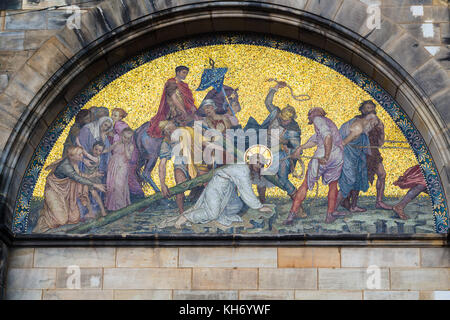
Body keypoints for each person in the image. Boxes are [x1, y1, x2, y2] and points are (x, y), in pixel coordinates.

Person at [167, 153, 273, 229]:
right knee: (212, 214)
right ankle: (186, 217)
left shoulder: (246, 169)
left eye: (261, 164)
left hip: (227, 188)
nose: (258, 166)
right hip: (216, 187)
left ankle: (221, 216)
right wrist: (260, 207)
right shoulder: (243, 170)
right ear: (251, 161)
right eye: (257, 162)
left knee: (236, 205)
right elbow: (246, 191)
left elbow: (251, 185)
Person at [284, 107, 344, 224]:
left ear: (314, 114)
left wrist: (326, 156)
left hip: (324, 154)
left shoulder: (318, 119)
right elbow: (316, 140)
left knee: (305, 185)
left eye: (309, 114)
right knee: (333, 185)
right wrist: (300, 148)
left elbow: (327, 137)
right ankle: (329, 215)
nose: (308, 117)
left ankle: (291, 215)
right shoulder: (328, 123)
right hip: (337, 156)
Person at [245, 82, 301, 202]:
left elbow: (295, 147)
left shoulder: (293, 129)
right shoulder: (276, 114)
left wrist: (283, 141)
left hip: (278, 154)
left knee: (281, 179)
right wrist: (275, 88)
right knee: (259, 175)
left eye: (285, 121)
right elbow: (268, 103)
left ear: (291, 119)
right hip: (263, 148)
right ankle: (262, 201)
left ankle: (296, 202)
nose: (282, 121)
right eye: (282, 119)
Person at [33, 146, 106, 233]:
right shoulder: (66, 166)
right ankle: (42, 218)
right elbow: (77, 178)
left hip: (65, 193)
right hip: (53, 191)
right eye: (80, 155)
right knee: (61, 221)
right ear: (72, 156)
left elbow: (79, 176)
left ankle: (51, 211)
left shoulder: (74, 162)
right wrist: (96, 185)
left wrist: (93, 175)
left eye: (82, 154)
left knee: (74, 218)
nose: (82, 156)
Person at [158, 120, 209, 213]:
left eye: (170, 127)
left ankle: (210, 209)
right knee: (179, 185)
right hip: (181, 164)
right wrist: (162, 184)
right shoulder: (166, 142)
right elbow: (162, 164)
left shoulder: (188, 131)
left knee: (207, 183)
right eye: (166, 130)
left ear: (175, 124)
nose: (169, 130)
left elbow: (204, 143)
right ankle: (181, 212)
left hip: (197, 162)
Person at [336, 113, 380, 213]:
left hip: (358, 158)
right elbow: (343, 143)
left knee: (358, 180)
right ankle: (333, 210)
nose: (372, 127)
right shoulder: (358, 128)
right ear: (370, 121)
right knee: (348, 182)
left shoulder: (360, 124)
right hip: (348, 158)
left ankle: (354, 206)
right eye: (373, 125)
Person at [357, 100, 392, 210]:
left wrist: (380, 129)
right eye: (367, 107)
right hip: (361, 152)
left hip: (373, 152)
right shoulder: (357, 121)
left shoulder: (378, 122)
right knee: (357, 177)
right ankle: (350, 202)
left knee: (382, 174)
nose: (370, 109)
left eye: (372, 107)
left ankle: (379, 201)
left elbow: (381, 142)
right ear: (362, 110)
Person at [147, 66, 198, 138]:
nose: (185, 75)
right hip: (173, 110)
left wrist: (191, 107)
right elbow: (174, 98)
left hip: (185, 109)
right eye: (183, 72)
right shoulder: (171, 82)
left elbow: (188, 99)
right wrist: (183, 111)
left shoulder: (184, 85)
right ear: (178, 72)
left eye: (186, 73)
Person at [109, 107, 144, 198]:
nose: (112, 117)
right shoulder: (122, 124)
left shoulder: (118, 125)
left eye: (115, 115)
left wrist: (112, 135)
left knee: (129, 176)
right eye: (112, 114)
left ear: (120, 117)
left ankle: (139, 195)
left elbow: (124, 139)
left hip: (128, 155)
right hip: (130, 153)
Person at [105, 128, 135, 211]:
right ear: (121, 136)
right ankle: (113, 207)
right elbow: (108, 150)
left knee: (119, 185)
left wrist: (125, 146)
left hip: (123, 165)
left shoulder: (130, 146)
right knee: (112, 185)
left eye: (129, 138)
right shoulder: (116, 143)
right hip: (113, 165)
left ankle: (120, 207)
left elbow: (128, 157)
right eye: (125, 137)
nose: (126, 139)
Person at [81, 141, 107, 218]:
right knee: (88, 194)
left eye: (100, 151)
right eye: (96, 149)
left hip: (92, 179)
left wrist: (78, 142)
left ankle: (101, 211)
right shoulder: (90, 155)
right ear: (92, 148)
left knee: (93, 194)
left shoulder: (96, 159)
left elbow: (85, 153)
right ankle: (94, 211)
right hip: (88, 178)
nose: (97, 152)